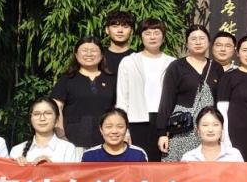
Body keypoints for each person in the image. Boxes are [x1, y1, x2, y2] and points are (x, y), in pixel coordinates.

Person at [156, 25, 225, 162]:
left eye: (202, 38)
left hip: (208, 128)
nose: (198, 42)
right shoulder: (176, 66)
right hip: (182, 129)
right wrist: (162, 133)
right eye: (193, 39)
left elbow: (220, 102)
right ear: (187, 43)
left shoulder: (216, 67)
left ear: (208, 42)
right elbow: (167, 100)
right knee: (179, 169)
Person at [115, 18, 175, 162]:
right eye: (147, 33)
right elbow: (122, 98)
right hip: (137, 120)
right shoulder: (129, 62)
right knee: (139, 163)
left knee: (165, 164)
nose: (152, 37)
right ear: (141, 37)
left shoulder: (173, 63)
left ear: (163, 36)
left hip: (165, 121)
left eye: (156, 33)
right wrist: (124, 129)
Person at [51, 36, 117, 149]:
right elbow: (56, 107)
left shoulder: (112, 79)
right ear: (76, 55)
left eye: (94, 50)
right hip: (73, 139)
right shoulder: (67, 79)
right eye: (84, 50)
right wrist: (61, 136)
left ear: (102, 55)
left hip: (107, 139)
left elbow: (118, 108)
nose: (89, 54)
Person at [216, 35, 247, 161]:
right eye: (244, 50)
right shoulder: (228, 77)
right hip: (234, 135)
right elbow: (222, 109)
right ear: (237, 53)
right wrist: (225, 138)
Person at [11, 97, 83, 164]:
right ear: (30, 119)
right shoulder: (17, 151)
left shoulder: (68, 149)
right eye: (37, 114)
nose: (42, 118)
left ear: (57, 118)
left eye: (48, 113)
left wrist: (50, 167)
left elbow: (73, 173)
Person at [81, 108, 148, 162]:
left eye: (120, 126)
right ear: (101, 129)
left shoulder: (138, 154)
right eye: (109, 126)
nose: (114, 131)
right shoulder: (90, 156)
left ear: (126, 129)